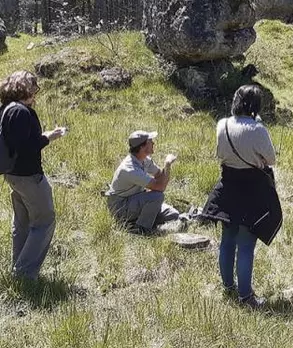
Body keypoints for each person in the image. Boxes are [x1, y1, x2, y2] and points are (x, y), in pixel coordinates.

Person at [201, 85, 280, 308]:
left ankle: (228, 287)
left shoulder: (222, 124)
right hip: (252, 187)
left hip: (228, 184)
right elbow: (271, 159)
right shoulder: (258, 129)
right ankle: (246, 297)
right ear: (256, 105)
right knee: (246, 244)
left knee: (227, 240)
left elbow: (219, 154)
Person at [0, 71, 66, 279]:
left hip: (12, 175)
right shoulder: (22, 112)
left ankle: (18, 267)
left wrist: (44, 137)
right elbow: (26, 147)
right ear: (26, 89)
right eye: (34, 88)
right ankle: (25, 274)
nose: (35, 94)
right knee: (44, 221)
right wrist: (47, 138)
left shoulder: (5, 109)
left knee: (22, 222)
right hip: (29, 176)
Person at [105, 131, 182, 233]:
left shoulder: (144, 160)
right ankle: (141, 229)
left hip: (135, 201)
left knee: (173, 214)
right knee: (157, 196)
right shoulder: (130, 169)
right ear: (142, 147)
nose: (153, 143)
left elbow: (159, 175)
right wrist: (167, 165)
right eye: (150, 141)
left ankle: (135, 222)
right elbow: (160, 187)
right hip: (121, 207)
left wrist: (163, 174)